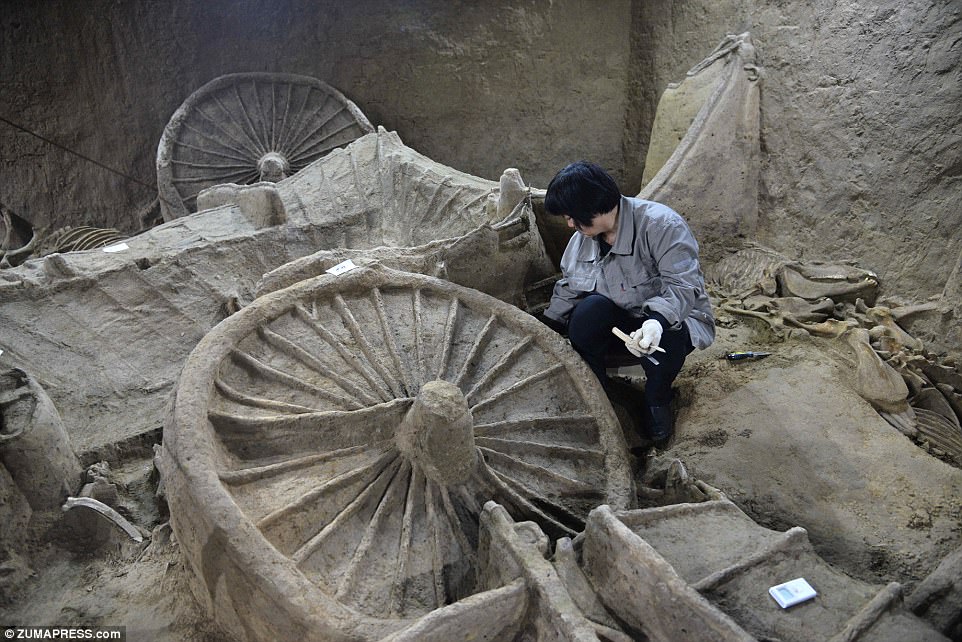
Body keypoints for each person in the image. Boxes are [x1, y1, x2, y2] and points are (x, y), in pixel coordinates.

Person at [539, 161, 714, 445]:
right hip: (621, 321)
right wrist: (546, 325)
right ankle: (600, 397)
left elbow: (684, 285)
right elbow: (571, 285)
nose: (569, 223)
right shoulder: (582, 239)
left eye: (573, 216)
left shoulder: (661, 225)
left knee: (666, 341)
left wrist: (656, 322)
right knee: (586, 315)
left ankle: (657, 399)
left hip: (668, 320)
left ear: (593, 206)